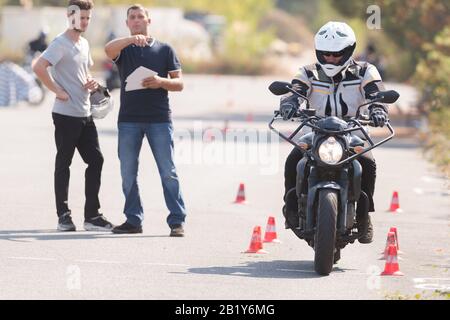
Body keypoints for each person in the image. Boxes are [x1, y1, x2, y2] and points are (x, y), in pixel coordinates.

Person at [280, 21, 389, 243]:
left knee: (367, 162)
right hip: (315, 130)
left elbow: (376, 94)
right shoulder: (308, 72)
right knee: (293, 158)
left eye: (336, 54)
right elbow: (295, 91)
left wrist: (378, 109)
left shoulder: (366, 71)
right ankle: (290, 207)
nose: (330, 58)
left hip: (352, 130)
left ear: (348, 51)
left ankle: (364, 216)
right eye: (325, 53)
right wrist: (289, 104)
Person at [104, 4, 187, 236]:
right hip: (128, 120)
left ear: (148, 21)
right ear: (127, 23)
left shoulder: (164, 49)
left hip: (159, 119)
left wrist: (161, 82)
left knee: (168, 171)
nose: (137, 20)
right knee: (128, 172)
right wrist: (131, 40)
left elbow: (179, 83)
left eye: (141, 17)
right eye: (132, 17)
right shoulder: (124, 49)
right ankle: (133, 220)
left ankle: (177, 221)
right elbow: (107, 50)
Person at [33, 0, 114, 232]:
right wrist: (57, 91)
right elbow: (39, 66)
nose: (85, 22)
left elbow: (83, 71)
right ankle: (64, 216)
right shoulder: (60, 43)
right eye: (82, 18)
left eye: (88, 18)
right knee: (64, 164)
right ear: (71, 16)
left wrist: (91, 82)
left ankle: (92, 217)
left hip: (85, 112)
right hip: (65, 115)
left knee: (96, 160)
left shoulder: (84, 43)